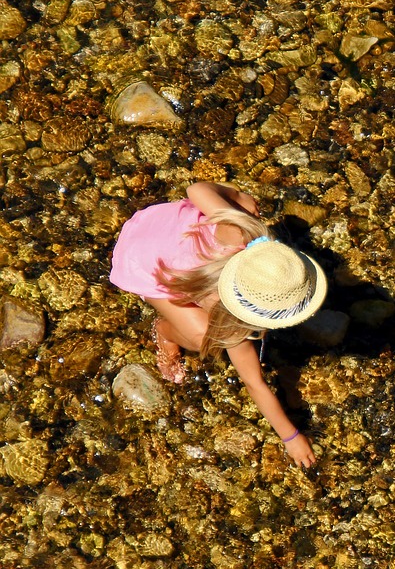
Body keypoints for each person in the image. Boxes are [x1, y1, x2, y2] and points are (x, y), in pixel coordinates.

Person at [109, 182, 327, 468]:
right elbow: (254, 383)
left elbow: (196, 189)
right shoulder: (230, 320)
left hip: (158, 226)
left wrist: (238, 199)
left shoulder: (243, 230)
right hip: (147, 264)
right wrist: (291, 437)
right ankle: (165, 331)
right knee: (204, 340)